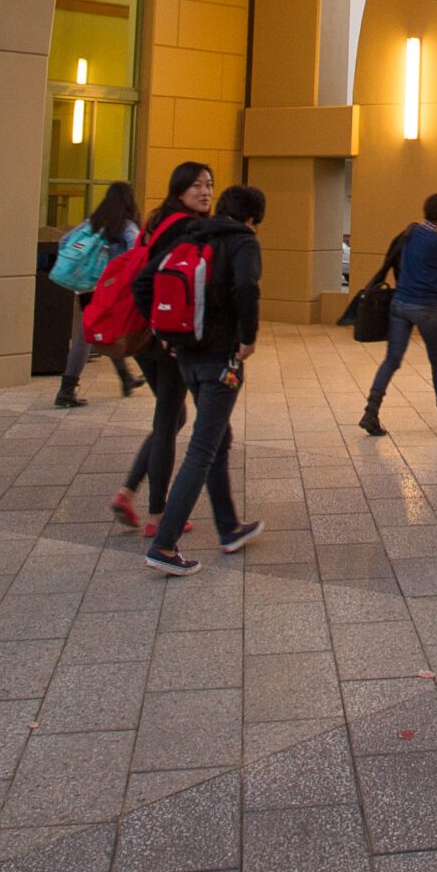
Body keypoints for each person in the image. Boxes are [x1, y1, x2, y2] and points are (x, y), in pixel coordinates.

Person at [142, 183, 269, 574]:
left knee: (219, 437)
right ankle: (164, 546)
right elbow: (247, 287)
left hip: (187, 358)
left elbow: (143, 281)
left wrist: (165, 335)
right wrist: (247, 338)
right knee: (202, 449)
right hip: (221, 360)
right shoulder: (242, 242)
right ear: (253, 216)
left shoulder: (192, 234)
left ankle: (229, 527)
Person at [110, 163, 213, 535]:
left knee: (171, 418)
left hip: (140, 332)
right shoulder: (186, 228)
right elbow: (167, 281)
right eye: (197, 186)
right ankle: (157, 515)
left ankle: (127, 491)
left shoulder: (157, 220)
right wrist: (169, 334)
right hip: (164, 334)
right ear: (180, 189)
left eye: (209, 185)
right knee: (169, 420)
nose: (205, 192)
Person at [359, 192, 437, 437]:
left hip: (399, 304)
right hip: (425, 308)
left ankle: (371, 411)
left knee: (392, 359)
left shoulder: (410, 233)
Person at [51, 181, 143, 409]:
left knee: (105, 331)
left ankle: (126, 378)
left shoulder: (93, 222)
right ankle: (66, 390)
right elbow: (138, 254)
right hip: (108, 289)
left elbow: (63, 241)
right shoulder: (127, 227)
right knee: (88, 336)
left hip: (85, 287)